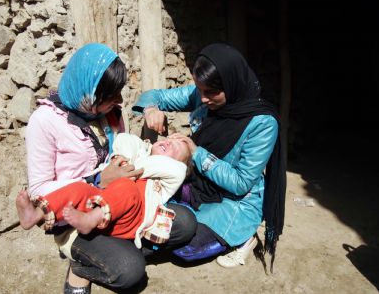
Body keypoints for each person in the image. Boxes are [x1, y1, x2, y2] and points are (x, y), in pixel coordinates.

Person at [21, 43, 197, 294]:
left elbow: (122, 152)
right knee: (130, 272)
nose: (120, 101)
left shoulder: (111, 114)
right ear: (90, 93)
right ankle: (81, 263)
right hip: (76, 215)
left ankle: (111, 247)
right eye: (111, 96)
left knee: (185, 223)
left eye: (119, 93)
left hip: (120, 206)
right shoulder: (45, 122)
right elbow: (39, 190)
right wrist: (96, 179)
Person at [133, 43, 286, 270]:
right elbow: (154, 96)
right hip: (198, 183)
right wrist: (150, 110)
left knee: (185, 249)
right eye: (199, 90)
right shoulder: (203, 95)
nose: (203, 99)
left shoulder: (262, 123)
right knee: (158, 217)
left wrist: (196, 152)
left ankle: (244, 237)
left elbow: (241, 183)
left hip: (233, 201)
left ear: (232, 85)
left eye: (211, 92)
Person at [17, 133, 191, 249]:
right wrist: (126, 156)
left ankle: (91, 219)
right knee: (80, 189)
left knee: (128, 187)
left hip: (132, 219)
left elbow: (173, 168)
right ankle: (36, 214)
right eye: (168, 139)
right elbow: (123, 139)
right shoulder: (141, 151)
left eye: (175, 147)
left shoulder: (169, 177)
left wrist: (128, 167)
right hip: (103, 201)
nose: (168, 142)